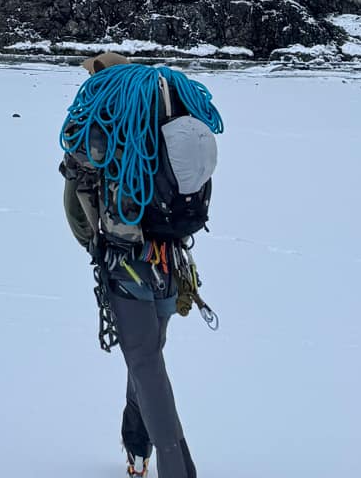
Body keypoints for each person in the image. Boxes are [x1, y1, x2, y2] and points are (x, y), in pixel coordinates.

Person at [59, 51, 222, 478]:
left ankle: (177, 467)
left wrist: (93, 242)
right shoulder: (169, 112)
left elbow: (75, 202)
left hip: (126, 262)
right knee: (147, 357)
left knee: (145, 361)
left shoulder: (103, 124)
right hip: (170, 259)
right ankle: (137, 449)